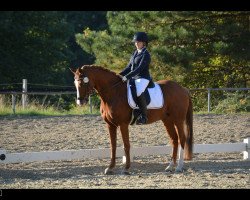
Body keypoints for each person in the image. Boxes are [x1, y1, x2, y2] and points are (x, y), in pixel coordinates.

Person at [119, 31, 152, 125]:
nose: (136, 43)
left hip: (143, 78)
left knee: (139, 91)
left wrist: (127, 76)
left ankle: (144, 117)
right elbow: (129, 67)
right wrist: (118, 75)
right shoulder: (135, 53)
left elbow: (139, 69)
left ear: (144, 43)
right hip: (134, 78)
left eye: (138, 42)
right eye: (135, 42)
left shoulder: (146, 54)